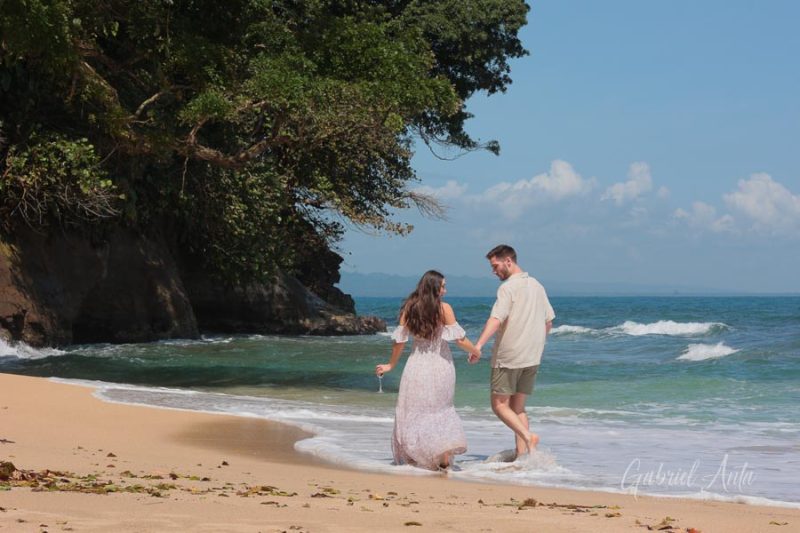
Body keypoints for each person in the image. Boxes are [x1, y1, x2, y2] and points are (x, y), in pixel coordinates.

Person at [375, 270, 480, 470]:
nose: (445, 290)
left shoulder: (409, 308)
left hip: (416, 366)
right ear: (434, 288)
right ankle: (443, 455)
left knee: (415, 412)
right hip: (441, 365)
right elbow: (459, 339)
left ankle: (417, 457)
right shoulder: (444, 308)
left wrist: (391, 365)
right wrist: (476, 351)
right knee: (441, 410)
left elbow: (399, 341)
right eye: (443, 286)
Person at [469, 245, 555, 459]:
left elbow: (496, 319)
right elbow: (549, 322)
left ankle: (528, 437)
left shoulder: (507, 288)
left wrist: (478, 345)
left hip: (509, 356)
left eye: (495, 265)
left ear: (508, 261)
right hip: (532, 356)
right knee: (518, 408)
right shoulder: (537, 285)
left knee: (499, 405)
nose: (493, 271)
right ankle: (524, 457)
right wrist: (537, 344)